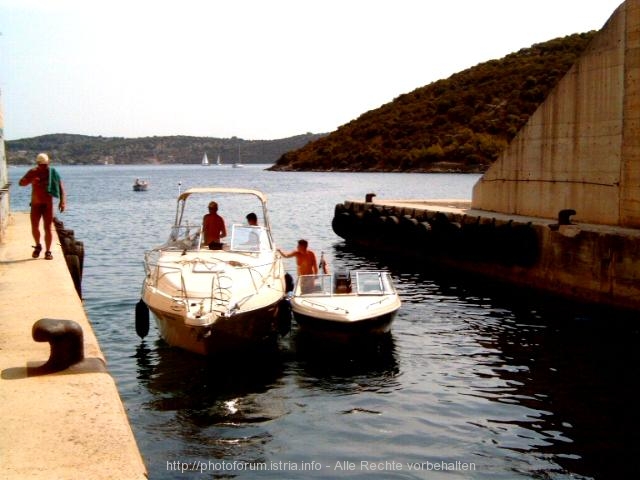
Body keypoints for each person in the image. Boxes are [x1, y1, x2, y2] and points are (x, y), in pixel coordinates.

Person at [19, 152, 66, 260]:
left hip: (47, 205)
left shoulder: (52, 172)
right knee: (35, 227)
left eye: (45, 164)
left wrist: (62, 202)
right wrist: (30, 180)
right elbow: (21, 183)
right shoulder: (32, 172)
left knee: (48, 228)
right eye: (41, 165)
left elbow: (61, 187)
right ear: (37, 164)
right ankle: (38, 246)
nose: (44, 167)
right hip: (35, 204)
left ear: (48, 163)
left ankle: (48, 251)